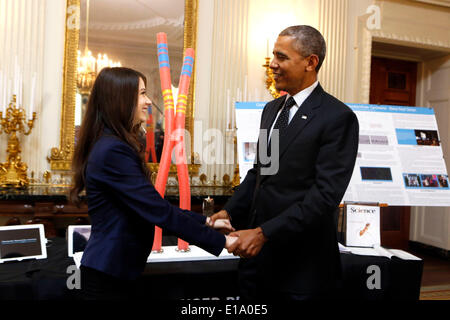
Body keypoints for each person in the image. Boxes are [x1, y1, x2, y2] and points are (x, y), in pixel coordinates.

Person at [210, 25, 359, 300]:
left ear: (310, 62)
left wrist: (264, 233)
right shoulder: (272, 110)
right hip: (257, 264)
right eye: (273, 56)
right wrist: (229, 211)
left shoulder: (338, 117)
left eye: (281, 57)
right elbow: (261, 172)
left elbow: (324, 197)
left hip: (302, 269)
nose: (273, 65)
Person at [70, 67, 235, 300]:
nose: (148, 101)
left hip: (114, 270)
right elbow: (157, 211)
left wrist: (207, 221)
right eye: (142, 93)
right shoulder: (112, 150)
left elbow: (153, 209)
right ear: (121, 99)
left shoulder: (111, 144)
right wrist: (223, 242)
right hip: (107, 276)